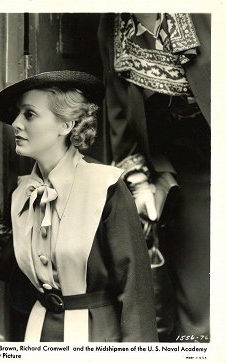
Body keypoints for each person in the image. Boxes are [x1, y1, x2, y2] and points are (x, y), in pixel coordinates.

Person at [0, 70, 158, 342]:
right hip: (37, 334)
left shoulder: (105, 187)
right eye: (17, 114)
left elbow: (136, 293)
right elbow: (25, 288)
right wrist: (0, 230)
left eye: (29, 114)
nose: (15, 123)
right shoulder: (24, 191)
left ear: (66, 125)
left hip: (98, 338)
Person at [98, 13, 211, 341]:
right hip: (183, 171)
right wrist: (139, 180)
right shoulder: (112, 26)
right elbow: (118, 111)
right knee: (195, 299)